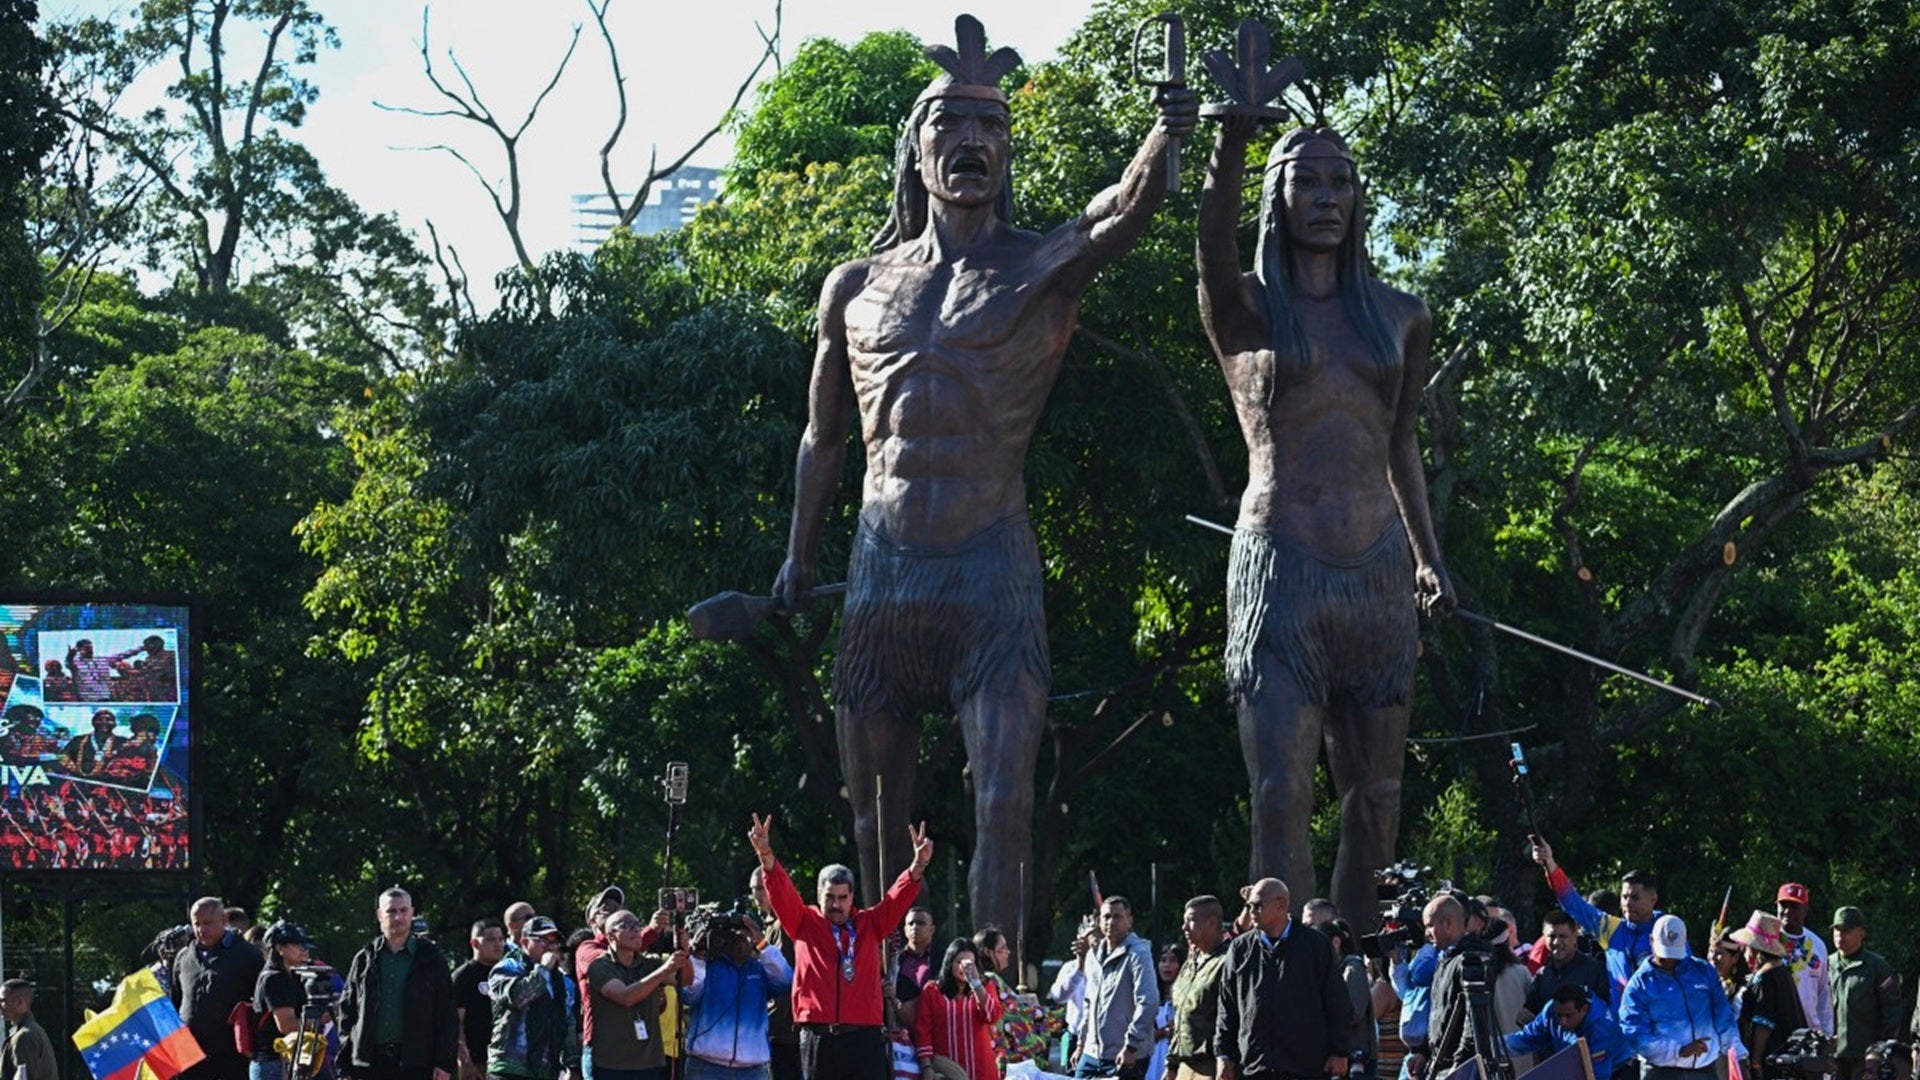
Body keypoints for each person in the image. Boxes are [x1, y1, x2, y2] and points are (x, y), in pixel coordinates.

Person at [770, 14, 1198, 936]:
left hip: (990, 571)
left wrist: (1165, 134)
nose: (971, 141)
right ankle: (876, 990)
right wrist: (798, 555)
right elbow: (823, 435)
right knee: (874, 821)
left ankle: (998, 997)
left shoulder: (1039, 267)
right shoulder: (853, 285)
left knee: (1003, 803)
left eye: (991, 127)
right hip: (882, 570)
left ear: (1006, 153)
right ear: (915, 151)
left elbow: (1120, 211)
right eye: (950, 124)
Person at [1196, 113, 1454, 916]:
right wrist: (1232, 140)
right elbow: (1211, 247)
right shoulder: (1247, 309)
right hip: (1282, 566)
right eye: (1305, 181)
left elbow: (1401, 441)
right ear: (1275, 196)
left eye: (1340, 181)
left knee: (1378, 796)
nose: (1325, 197)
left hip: (1377, 574)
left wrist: (1428, 558)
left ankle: (1363, 958)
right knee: (1281, 791)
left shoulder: (1401, 315)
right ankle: (1285, 955)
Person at [748, 812, 931, 1080]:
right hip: (818, 1038)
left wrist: (918, 865)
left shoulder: (870, 924)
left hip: (863, 1039)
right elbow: (781, 890)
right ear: (818, 895)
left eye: (843, 897)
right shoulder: (803, 922)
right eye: (829, 897)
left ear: (852, 897)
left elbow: (897, 899)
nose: (836, 904)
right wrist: (765, 854)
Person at [1215, 878, 1351, 1080]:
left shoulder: (1315, 945)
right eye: (1249, 906)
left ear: (1281, 904)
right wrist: (1223, 1054)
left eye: (1258, 905)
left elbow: (1337, 1001)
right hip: (1255, 1066)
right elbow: (1227, 1005)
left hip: (1305, 1067)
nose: (1252, 911)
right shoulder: (1240, 948)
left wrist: (1340, 1051)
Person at [338, 887, 459, 1080]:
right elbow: (347, 1011)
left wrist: (444, 1063)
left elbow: (447, 1015)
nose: (398, 917)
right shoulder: (365, 959)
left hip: (417, 1064)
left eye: (403, 911)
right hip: (368, 1065)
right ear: (380, 915)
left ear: (412, 913)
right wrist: (346, 1062)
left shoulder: (431, 958)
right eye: (391, 911)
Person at [1530, 838, 1663, 1000]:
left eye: (1635, 897)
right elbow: (1574, 905)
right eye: (1624, 897)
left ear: (1653, 899)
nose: (1627, 904)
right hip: (1622, 1016)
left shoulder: (1666, 929)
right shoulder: (1613, 929)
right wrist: (1549, 863)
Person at [1617, 915, 1742, 1080]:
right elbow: (1635, 1034)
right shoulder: (1639, 985)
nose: (1669, 959)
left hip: (1705, 1070)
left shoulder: (1703, 971)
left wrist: (1735, 1051)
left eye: (1674, 954)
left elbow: (1723, 1015)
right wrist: (1678, 1051)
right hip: (1661, 1072)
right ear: (1651, 941)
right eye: (1664, 953)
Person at [683, 906, 790, 1080]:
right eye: (733, 935)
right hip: (706, 1066)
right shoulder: (709, 967)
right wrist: (698, 956)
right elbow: (689, 994)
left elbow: (785, 980)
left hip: (752, 1069)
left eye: (744, 934)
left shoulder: (761, 970)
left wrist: (762, 943)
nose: (739, 939)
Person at [173, 896, 268, 1080]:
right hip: (191, 1055)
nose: (201, 929)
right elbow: (176, 1000)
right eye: (196, 924)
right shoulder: (183, 958)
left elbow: (262, 1002)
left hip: (232, 1054)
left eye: (207, 923)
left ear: (224, 920)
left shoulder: (248, 955)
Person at [587, 910, 688, 1080]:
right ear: (611, 936)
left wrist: (684, 950)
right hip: (613, 1065)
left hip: (649, 1063)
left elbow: (685, 980)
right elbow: (626, 998)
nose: (636, 929)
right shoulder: (600, 966)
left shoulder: (649, 964)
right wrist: (664, 971)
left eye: (637, 924)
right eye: (627, 925)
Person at [1077, 897, 1159, 1080]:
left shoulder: (1138, 953)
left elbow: (1149, 1002)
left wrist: (1131, 1046)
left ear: (1129, 920)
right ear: (1099, 921)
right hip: (1091, 1054)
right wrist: (1081, 1044)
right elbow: (1089, 1003)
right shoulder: (1092, 956)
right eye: (1106, 917)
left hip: (1125, 1055)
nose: (1111, 922)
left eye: (1117, 916)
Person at [487, 916, 570, 1080]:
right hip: (509, 1067)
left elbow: (567, 1020)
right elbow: (517, 998)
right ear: (524, 942)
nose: (550, 946)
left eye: (554, 941)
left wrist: (571, 1063)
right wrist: (543, 969)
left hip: (544, 1070)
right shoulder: (507, 967)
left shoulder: (559, 979)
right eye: (543, 940)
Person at [913, 939, 1004, 1080]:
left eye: (970, 964)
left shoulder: (985, 987)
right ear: (949, 963)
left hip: (982, 1070)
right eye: (959, 962)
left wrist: (976, 984)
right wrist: (926, 1067)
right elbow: (923, 1032)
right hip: (947, 1071)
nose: (964, 968)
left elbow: (992, 1016)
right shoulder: (932, 991)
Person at [1827, 906, 1898, 1080]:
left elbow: (1892, 1010)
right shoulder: (1825, 964)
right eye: (1837, 929)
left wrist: (1881, 1050)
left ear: (1861, 933)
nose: (1840, 935)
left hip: (1864, 1057)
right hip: (1831, 1055)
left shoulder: (1877, 967)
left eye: (1847, 930)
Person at [1504, 985, 1626, 1080]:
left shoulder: (1601, 1029)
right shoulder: (1552, 1010)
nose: (1562, 1022)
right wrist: (1498, 1047)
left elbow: (1597, 1075)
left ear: (1584, 1010)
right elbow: (1527, 1039)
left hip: (1615, 1070)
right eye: (1559, 1015)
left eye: (1568, 1016)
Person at [1402, 896, 1465, 1080]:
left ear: (1448, 923)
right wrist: (1424, 1052)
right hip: (1441, 1064)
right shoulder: (1442, 961)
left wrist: (1459, 1064)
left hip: (1460, 1068)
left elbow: (1471, 1021)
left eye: (1430, 926)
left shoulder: (1468, 961)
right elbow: (1440, 1017)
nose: (1427, 934)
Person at [1731, 911, 1806, 1064]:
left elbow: (1763, 1026)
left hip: (1774, 1058)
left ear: (1755, 948)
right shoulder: (1782, 972)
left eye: (1747, 946)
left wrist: (1756, 1062)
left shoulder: (1766, 978)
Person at [749, 866, 802, 1080]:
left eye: (761, 888)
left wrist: (763, 1027)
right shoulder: (772, 923)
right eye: (753, 889)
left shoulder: (782, 925)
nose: (757, 895)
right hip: (781, 1029)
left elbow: (783, 982)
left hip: (786, 1031)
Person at [1168, 898, 1229, 1080]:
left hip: (1212, 1065)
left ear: (1211, 923)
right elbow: (1181, 1016)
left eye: (1191, 920)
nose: (1184, 927)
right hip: (1185, 1064)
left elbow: (1231, 1017)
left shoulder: (1227, 962)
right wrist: (1171, 1065)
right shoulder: (1191, 962)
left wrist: (1225, 1058)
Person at [252, 922, 318, 1080]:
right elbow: (287, 1026)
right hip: (272, 1064)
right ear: (279, 948)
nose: (303, 949)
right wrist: (317, 1019)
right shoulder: (274, 978)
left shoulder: (291, 976)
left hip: (285, 1061)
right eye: (296, 944)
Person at [1525, 911, 1612, 1022]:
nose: (1556, 942)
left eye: (1563, 936)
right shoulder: (1542, 975)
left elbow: (1607, 1013)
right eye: (1552, 936)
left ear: (1575, 936)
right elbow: (1531, 1012)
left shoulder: (1595, 971)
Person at [1775, 883, 1834, 1036]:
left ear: (1805, 909)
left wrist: (1827, 1034)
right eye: (1783, 905)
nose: (1788, 911)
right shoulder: (1766, 940)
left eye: (1794, 906)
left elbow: (1823, 994)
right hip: (1773, 1030)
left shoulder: (1818, 945)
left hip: (1809, 1033)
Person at [455, 920, 509, 1080]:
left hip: (506, 1060)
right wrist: (464, 1060)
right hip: (476, 1062)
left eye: (501, 939)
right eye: (491, 940)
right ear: (475, 943)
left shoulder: (508, 973)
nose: (498, 944)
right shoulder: (463, 976)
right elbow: (456, 1022)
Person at [1321, 920, 1375, 1078]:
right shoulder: (1330, 971)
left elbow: (1355, 1012)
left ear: (1336, 942)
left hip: (1354, 1059)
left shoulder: (1352, 968)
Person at [1, 979, 57, 1080]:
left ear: (20, 1002)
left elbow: (24, 1076)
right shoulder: (32, 1031)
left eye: (3, 1001)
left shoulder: (25, 1036)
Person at [1146, 943, 1186, 1080]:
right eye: (1163, 960)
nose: (1166, 965)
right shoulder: (1151, 995)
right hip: (1153, 1058)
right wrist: (1162, 1032)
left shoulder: (1186, 997)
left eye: (1173, 960)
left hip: (1177, 1059)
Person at [897, 909, 939, 1029]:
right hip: (899, 1029)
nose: (915, 927)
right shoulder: (893, 960)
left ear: (932, 930)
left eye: (921, 923)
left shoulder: (942, 958)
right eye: (911, 923)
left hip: (934, 1026)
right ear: (905, 929)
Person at [62, 710, 124, 776]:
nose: (104, 722)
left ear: (115, 724)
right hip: (78, 779)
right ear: (93, 722)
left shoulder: (122, 742)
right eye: (100, 720)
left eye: (108, 720)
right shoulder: (78, 740)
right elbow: (62, 756)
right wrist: (73, 768)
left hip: (109, 780)